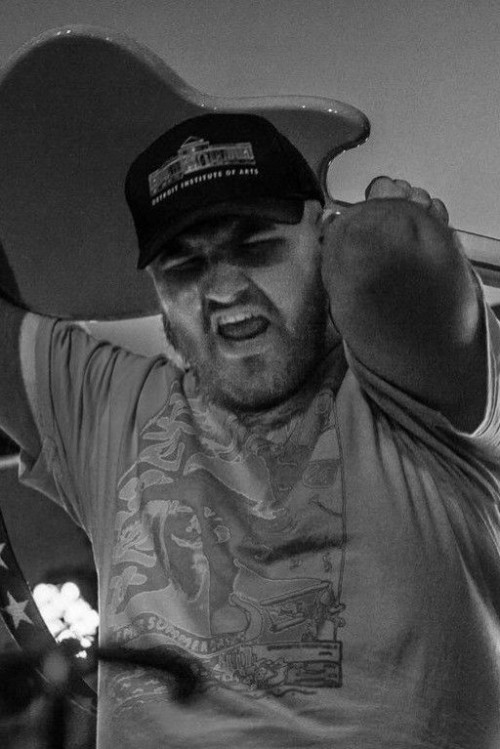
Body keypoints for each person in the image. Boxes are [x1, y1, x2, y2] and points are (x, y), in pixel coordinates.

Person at [0, 111, 499, 749]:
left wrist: (372, 226)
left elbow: (388, 246)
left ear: (323, 240)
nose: (223, 288)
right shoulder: (107, 409)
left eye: (256, 247)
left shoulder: (417, 400)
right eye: (184, 267)